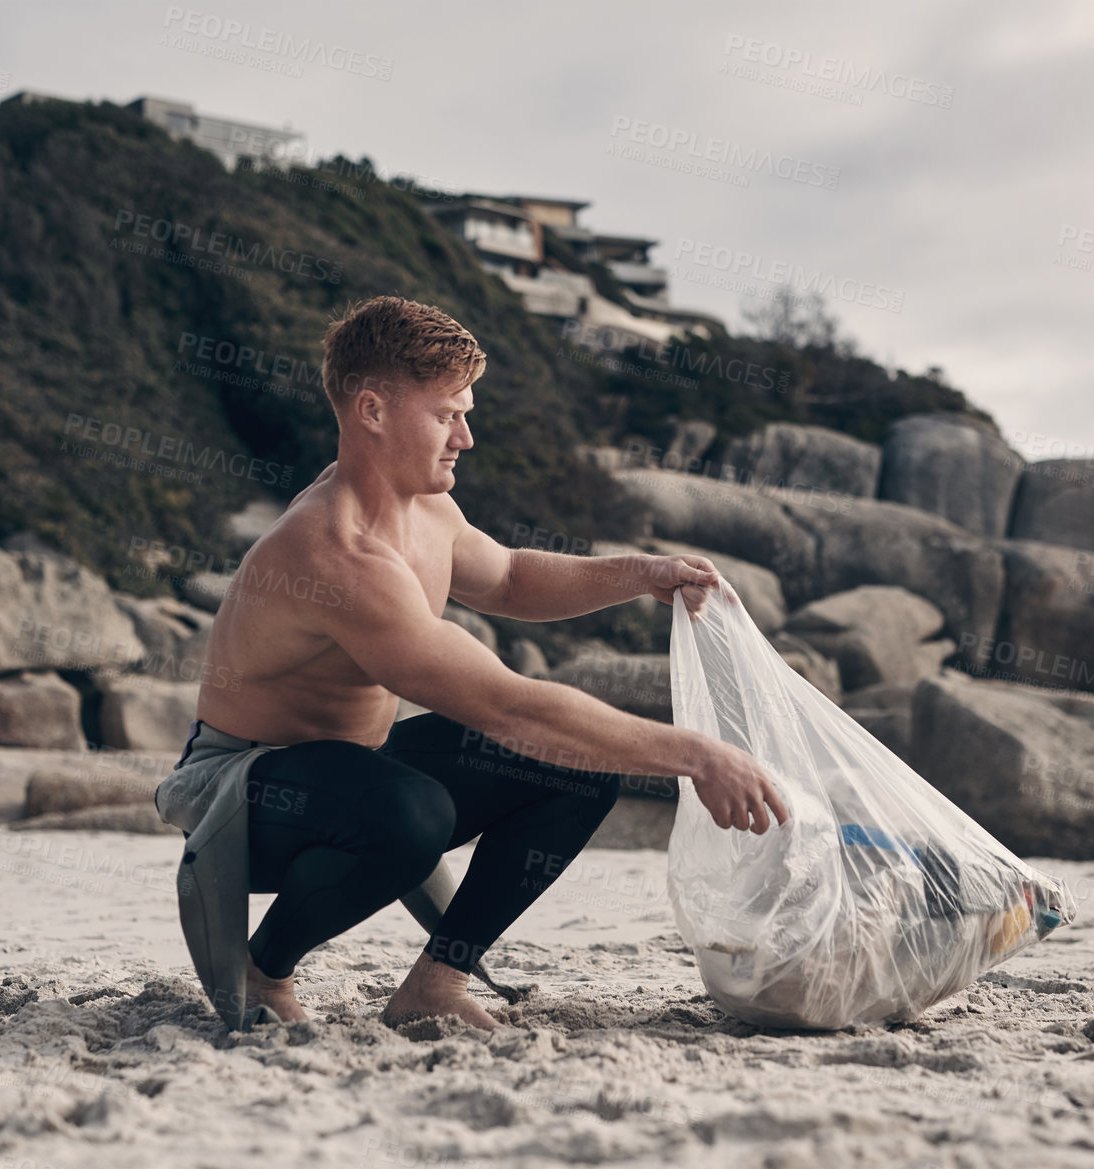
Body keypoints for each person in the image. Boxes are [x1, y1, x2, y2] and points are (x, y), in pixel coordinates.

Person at [153, 295, 789, 1032]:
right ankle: (264, 970)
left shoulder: (427, 509)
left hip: (353, 769)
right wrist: (696, 753)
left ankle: (436, 982)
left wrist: (641, 572)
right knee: (412, 809)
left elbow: (511, 577)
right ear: (372, 411)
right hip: (244, 796)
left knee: (572, 765)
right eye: (447, 414)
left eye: (466, 412)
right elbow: (507, 707)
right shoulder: (335, 552)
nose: (467, 436)